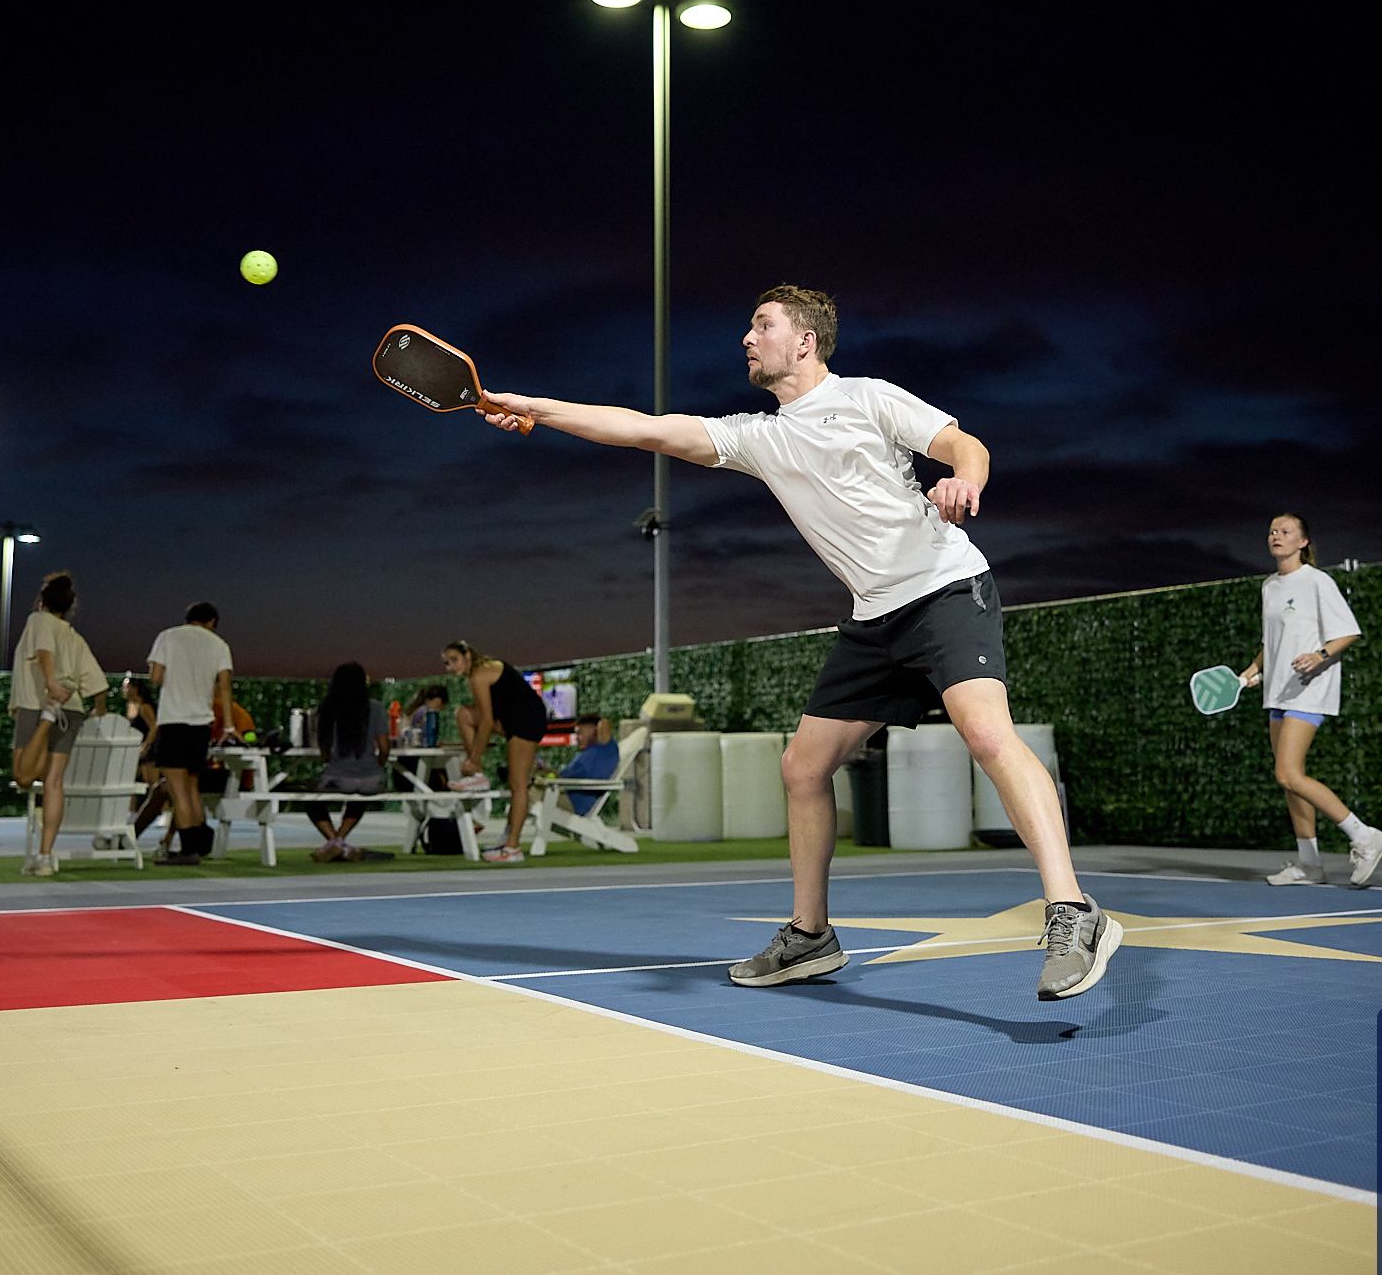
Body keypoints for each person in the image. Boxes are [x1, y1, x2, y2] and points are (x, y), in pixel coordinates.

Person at [478, 285, 1120, 1000]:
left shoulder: (867, 397)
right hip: (874, 618)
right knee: (802, 767)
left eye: (762, 325)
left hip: (943, 589)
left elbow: (963, 444)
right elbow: (644, 429)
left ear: (805, 340)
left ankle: (1074, 911)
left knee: (987, 734)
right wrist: (535, 408)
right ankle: (810, 935)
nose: (747, 339)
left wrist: (963, 480)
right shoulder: (760, 437)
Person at [1238, 513, 1382, 888]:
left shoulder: (1318, 581)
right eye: (1272, 531)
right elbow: (1272, 643)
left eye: (1285, 531)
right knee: (1291, 781)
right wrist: (1251, 671)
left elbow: (1348, 632)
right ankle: (1310, 864)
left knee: (1287, 773)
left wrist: (1319, 655)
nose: (1276, 536)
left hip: (1310, 687)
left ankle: (1364, 836)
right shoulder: (1269, 586)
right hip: (1278, 691)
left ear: (1303, 541)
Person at [10, 573, 109, 876]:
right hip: (73, 708)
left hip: (37, 703)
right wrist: (99, 710)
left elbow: (44, 651)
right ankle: (44, 857)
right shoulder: (74, 637)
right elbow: (98, 682)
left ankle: (48, 718)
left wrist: (51, 683)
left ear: (42, 601)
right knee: (53, 781)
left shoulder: (39, 620)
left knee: (24, 776)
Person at [441, 640, 547, 865]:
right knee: (464, 714)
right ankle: (478, 775)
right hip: (511, 717)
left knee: (518, 785)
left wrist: (473, 758)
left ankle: (512, 848)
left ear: (467, 656)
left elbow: (487, 722)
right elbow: (484, 717)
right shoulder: (478, 673)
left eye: (454, 660)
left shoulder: (479, 675)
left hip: (526, 719)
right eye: (447, 663)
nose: (450, 667)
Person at [147, 601, 234, 866]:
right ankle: (196, 843)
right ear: (212, 622)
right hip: (201, 723)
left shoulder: (167, 637)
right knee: (192, 785)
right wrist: (229, 726)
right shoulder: (219, 645)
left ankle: (188, 850)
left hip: (173, 720)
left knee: (177, 789)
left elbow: (155, 677)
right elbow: (225, 686)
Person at [305, 661, 396, 863]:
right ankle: (340, 842)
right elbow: (385, 748)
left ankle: (334, 841)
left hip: (337, 778)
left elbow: (324, 752)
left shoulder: (328, 708)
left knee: (311, 802)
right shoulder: (374, 708)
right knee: (360, 796)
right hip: (371, 779)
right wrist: (377, 766)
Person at [534, 713, 618, 818]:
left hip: (572, 802)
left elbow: (604, 723)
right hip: (564, 793)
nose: (576, 738)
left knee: (523, 794)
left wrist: (595, 729)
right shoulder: (587, 753)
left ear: (593, 730)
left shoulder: (605, 748)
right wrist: (543, 770)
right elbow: (562, 775)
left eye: (580, 733)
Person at [123, 673, 169, 838]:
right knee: (129, 780)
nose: (124, 690)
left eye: (126, 687)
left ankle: (165, 812)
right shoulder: (130, 706)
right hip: (134, 750)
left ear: (135, 688)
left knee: (153, 782)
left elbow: (154, 726)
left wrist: (146, 745)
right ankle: (131, 813)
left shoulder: (144, 707)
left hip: (149, 749)